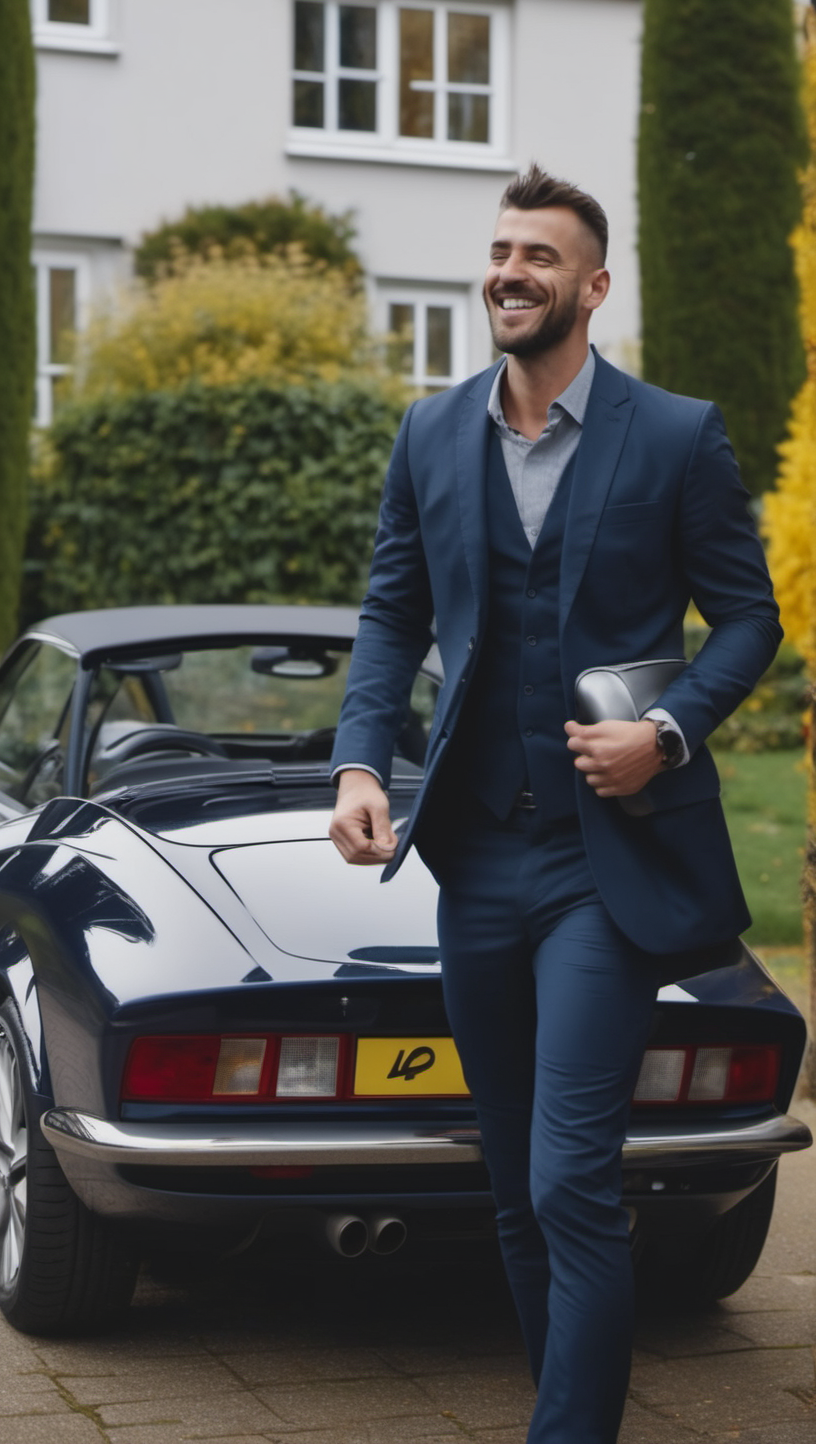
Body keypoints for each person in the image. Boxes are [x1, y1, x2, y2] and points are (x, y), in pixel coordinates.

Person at [328, 165, 781, 1444]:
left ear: (592, 286)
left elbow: (750, 618)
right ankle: (566, 1408)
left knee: (570, 1176)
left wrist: (670, 731)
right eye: (500, 249)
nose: (509, 272)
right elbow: (390, 617)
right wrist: (362, 763)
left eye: (539, 256)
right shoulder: (430, 432)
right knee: (516, 1190)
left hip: (604, 862)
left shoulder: (677, 434)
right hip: (474, 858)